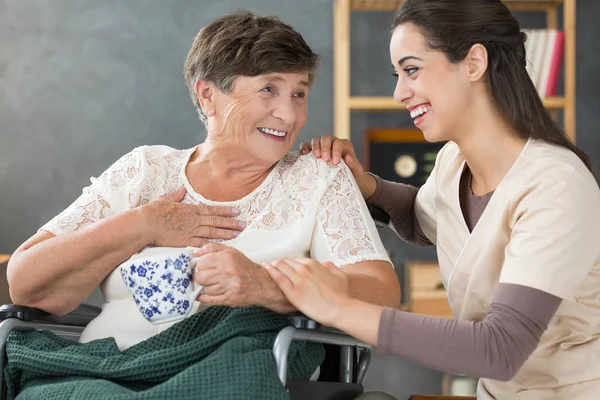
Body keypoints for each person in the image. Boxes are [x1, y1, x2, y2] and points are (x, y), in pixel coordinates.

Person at [5, 11, 399, 398]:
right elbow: (27, 282)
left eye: (299, 93)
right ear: (208, 95)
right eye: (268, 90)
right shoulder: (144, 170)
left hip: (232, 367)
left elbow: (382, 295)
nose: (290, 113)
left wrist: (265, 286)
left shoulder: (319, 177)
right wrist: (141, 225)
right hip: (105, 368)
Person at [265, 0, 600, 399]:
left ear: (475, 62)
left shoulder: (556, 185)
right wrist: (363, 184)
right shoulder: (454, 162)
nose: (399, 92)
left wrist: (338, 308)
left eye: (412, 70)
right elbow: (423, 218)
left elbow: (500, 349)